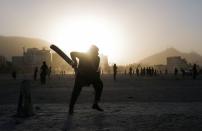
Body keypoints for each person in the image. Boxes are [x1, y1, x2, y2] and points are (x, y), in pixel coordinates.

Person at [69, 45, 104, 115]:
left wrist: (95, 72)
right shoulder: (83, 55)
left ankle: (95, 104)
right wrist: (75, 62)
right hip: (81, 76)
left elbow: (95, 68)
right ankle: (71, 107)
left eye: (98, 51)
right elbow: (72, 53)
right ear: (92, 51)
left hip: (91, 76)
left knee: (99, 85)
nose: (97, 53)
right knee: (76, 91)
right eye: (96, 51)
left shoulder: (97, 58)